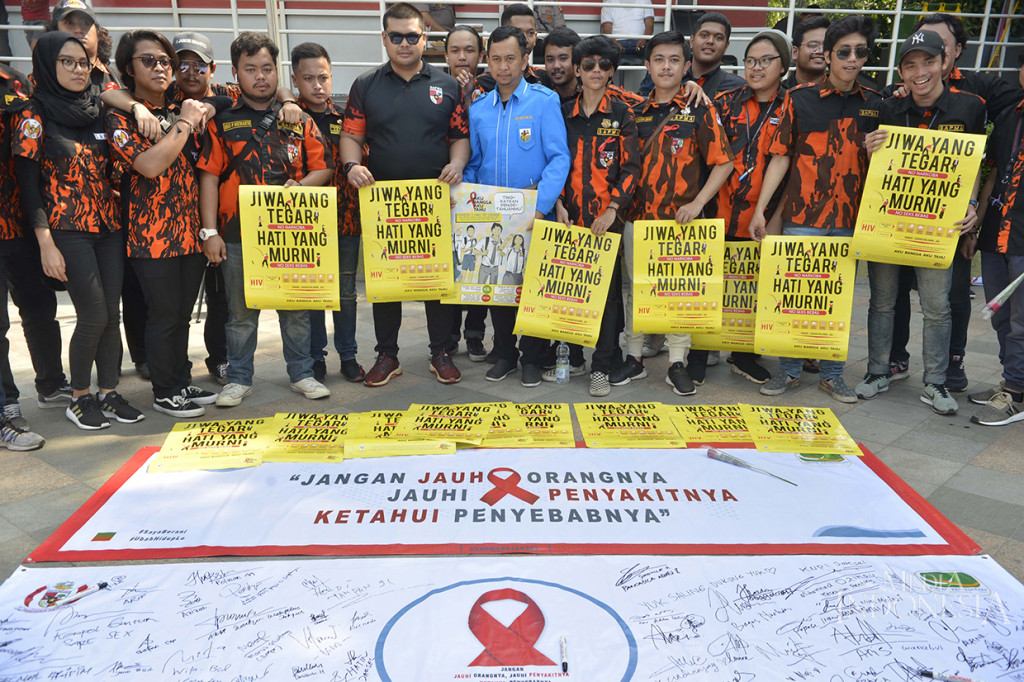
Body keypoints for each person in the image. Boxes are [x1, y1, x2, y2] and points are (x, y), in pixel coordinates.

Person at [885, 13, 1024, 392]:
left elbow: (981, 157)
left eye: (937, 48)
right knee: (894, 293)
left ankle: (953, 365)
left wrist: (972, 214)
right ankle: (895, 359)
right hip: (903, 215)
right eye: (914, 56)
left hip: (954, 220)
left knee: (954, 294)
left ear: (953, 53)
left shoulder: (982, 93)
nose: (925, 62)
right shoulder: (900, 92)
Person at [13, 32, 144, 430]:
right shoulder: (33, 115)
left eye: (83, 62)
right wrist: (45, 243)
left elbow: (116, 100)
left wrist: (136, 106)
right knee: (93, 315)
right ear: (48, 66)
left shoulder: (97, 109)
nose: (77, 69)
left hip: (108, 227)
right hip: (66, 229)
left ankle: (108, 392)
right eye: (67, 62)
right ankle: (79, 397)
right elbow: (27, 185)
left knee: (111, 316)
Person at [750, 15, 882, 404]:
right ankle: (789, 372)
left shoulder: (875, 103)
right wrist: (762, 211)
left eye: (860, 52)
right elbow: (779, 158)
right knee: (792, 295)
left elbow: (884, 169)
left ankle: (832, 374)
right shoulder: (799, 99)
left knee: (833, 298)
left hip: (847, 220)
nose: (852, 59)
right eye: (844, 52)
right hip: (802, 218)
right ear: (827, 56)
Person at [197, 31, 333, 407]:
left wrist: (301, 185)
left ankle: (302, 373)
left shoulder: (297, 118)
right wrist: (210, 232)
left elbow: (323, 168)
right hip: (238, 235)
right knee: (240, 315)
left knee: (296, 310)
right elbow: (208, 176)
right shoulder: (222, 121)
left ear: (278, 72)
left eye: (267, 68)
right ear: (236, 73)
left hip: (292, 234)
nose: (260, 76)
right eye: (250, 69)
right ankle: (238, 379)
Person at [855, 30, 986, 416]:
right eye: (910, 65)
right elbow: (876, 165)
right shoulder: (889, 107)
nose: (920, 72)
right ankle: (878, 371)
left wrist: (973, 204)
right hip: (889, 222)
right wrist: (869, 149)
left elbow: (975, 162)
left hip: (938, 226)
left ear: (945, 62)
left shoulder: (971, 107)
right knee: (881, 302)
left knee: (937, 307)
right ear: (901, 72)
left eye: (928, 61)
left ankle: (936, 382)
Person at [341, 2, 468, 387]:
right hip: (384, 204)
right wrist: (351, 167)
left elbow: (459, 137)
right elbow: (351, 136)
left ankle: (440, 351)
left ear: (424, 38)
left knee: (437, 281)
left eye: (412, 35)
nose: (404, 43)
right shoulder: (365, 85)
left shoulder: (446, 85)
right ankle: (387, 355)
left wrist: (458, 164)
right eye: (396, 36)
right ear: (384, 38)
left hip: (434, 203)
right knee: (385, 282)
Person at [107, 29, 218, 418]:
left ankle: (180, 377)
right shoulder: (120, 115)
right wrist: (184, 122)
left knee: (182, 313)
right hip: (151, 236)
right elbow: (150, 165)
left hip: (189, 230)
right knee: (164, 312)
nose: (160, 67)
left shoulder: (176, 101)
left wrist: (203, 109)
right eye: (148, 61)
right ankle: (165, 390)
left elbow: (220, 96)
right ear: (128, 69)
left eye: (164, 61)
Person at [619, 31, 733, 396]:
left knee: (679, 292)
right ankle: (634, 357)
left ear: (686, 66)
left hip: (681, 224)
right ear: (647, 65)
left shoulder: (700, 109)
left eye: (673, 60)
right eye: (658, 60)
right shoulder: (634, 110)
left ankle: (676, 362)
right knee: (635, 290)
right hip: (637, 219)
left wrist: (698, 203)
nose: (665, 66)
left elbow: (723, 163)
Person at [464, 24, 570, 388]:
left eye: (511, 58)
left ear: (525, 60)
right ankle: (506, 353)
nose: (503, 66)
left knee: (534, 288)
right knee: (500, 285)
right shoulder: (479, 109)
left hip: (533, 211)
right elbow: (474, 161)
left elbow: (559, 158)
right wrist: (474, 205)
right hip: (493, 214)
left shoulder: (544, 102)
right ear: (487, 62)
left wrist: (541, 206)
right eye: (495, 59)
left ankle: (532, 357)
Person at [702, 29, 792, 385]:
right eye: (751, 60)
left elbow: (782, 158)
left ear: (782, 66)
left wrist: (766, 213)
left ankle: (743, 355)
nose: (756, 67)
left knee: (750, 288)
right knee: (710, 283)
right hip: (719, 210)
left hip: (759, 214)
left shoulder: (790, 104)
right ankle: (703, 351)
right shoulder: (727, 100)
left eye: (765, 60)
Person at [554, 34, 639, 396]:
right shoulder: (562, 112)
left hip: (606, 223)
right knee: (569, 290)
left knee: (606, 298)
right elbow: (553, 162)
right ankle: (573, 357)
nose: (595, 71)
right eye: (588, 65)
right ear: (576, 69)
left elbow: (632, 169)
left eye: (604, 66)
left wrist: (613, 209)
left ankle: (602, 366)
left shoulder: (622, 113)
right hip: (568, 219)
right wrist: (557, 205)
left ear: (612, 73)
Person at [290, 42, 365, 384]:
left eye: (323, 77)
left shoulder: (346, 119)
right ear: (295, 79)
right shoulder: (286, 117)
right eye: (308, 79)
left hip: (346, 220)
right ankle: (316, 357)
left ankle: (348, 355)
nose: (317, 85)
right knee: (314, 293)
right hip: (304, 227)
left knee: (346, 292)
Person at [966, 54, 1024, 426]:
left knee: (1022, 321)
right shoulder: (1010, 113)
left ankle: (1017, 395)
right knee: (999, 315)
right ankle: (1011, 381)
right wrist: (977, 225)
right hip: (996, 233)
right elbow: (992, 173)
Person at [443, 25, 489, 361]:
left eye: (470, 51)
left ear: (480, 56)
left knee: (477, 261)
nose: (462, 57)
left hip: (479, 192)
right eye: (456, 50)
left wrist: (472, 94)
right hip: (441, 189)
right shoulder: (432, 88)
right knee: (447, 268)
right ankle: (445, 338)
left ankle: (474, 334)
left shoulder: (491, 90)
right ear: (445, 55)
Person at [474, 3, 544, 95]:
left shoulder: (545, 77)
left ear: (536, 37)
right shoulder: (482, 83)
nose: (525, 40)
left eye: (530, 33)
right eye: (518, 32)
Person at [600, 0, 655, 94]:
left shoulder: (645, 1)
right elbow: (606, 28)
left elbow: (650, 23)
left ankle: (644, 92)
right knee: (602, 55)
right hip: (617, 43)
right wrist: (614, 43)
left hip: (640, 42)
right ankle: (611, 89)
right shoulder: (609, 2)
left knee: (656, 55)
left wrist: (645, 39)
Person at [686, 12, 745, 97]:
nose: (710, 41)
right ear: (692, 41)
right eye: (704, 35)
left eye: (718, 38)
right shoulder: (675, 82)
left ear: (726, 46)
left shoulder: (738, 88)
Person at [782, 16, 829, 89]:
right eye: (813, 45)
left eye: (826, 45)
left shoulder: (839, 93)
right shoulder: (779, 95)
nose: (821, 51)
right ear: (795, 52)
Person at [543, 27, 581, 103]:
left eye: (563, 58)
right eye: (550, 60)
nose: (556, 66)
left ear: (577, 60)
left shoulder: (590, 93)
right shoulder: (540, 94)